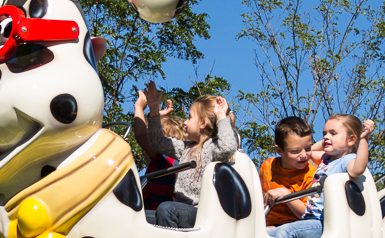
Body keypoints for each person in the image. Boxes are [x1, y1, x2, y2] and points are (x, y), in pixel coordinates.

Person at [143, 82, 239, 228]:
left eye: (189, 117)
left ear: (202, 123)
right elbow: (157, 141)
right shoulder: (186, 148)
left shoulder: (214, 148)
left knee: (166, 210)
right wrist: (154, 109)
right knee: (139, 217)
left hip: (202, 212)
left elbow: (227, 148)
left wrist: (221, 117)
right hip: (181, 210)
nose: (185, 123)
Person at [269, 114, 374, 238]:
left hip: (324, 222)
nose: (326, 137)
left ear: (351, 140)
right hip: (309, 219)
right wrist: (327, 139)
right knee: (265, 236)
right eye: (324, 133)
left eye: (333, 133)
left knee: (286, 232)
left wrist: (364, 139)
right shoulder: (325, 158)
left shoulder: (346, 160)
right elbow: (306, 152)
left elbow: (357, 170)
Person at [132, 90, 188, 222]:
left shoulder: (165, 160)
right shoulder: (175, 163)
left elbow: (142, 135)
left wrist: (139, 107)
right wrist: (156, 116)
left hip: (155, 219)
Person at [260, 117, 323, 227]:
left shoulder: (312, 175)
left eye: (308, 148)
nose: (304, 155)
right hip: (265, 225)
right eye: (295, 151)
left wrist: (286, 194)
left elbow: (307, 215)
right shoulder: (268, 166)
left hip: (295, 227)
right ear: (279, 150)